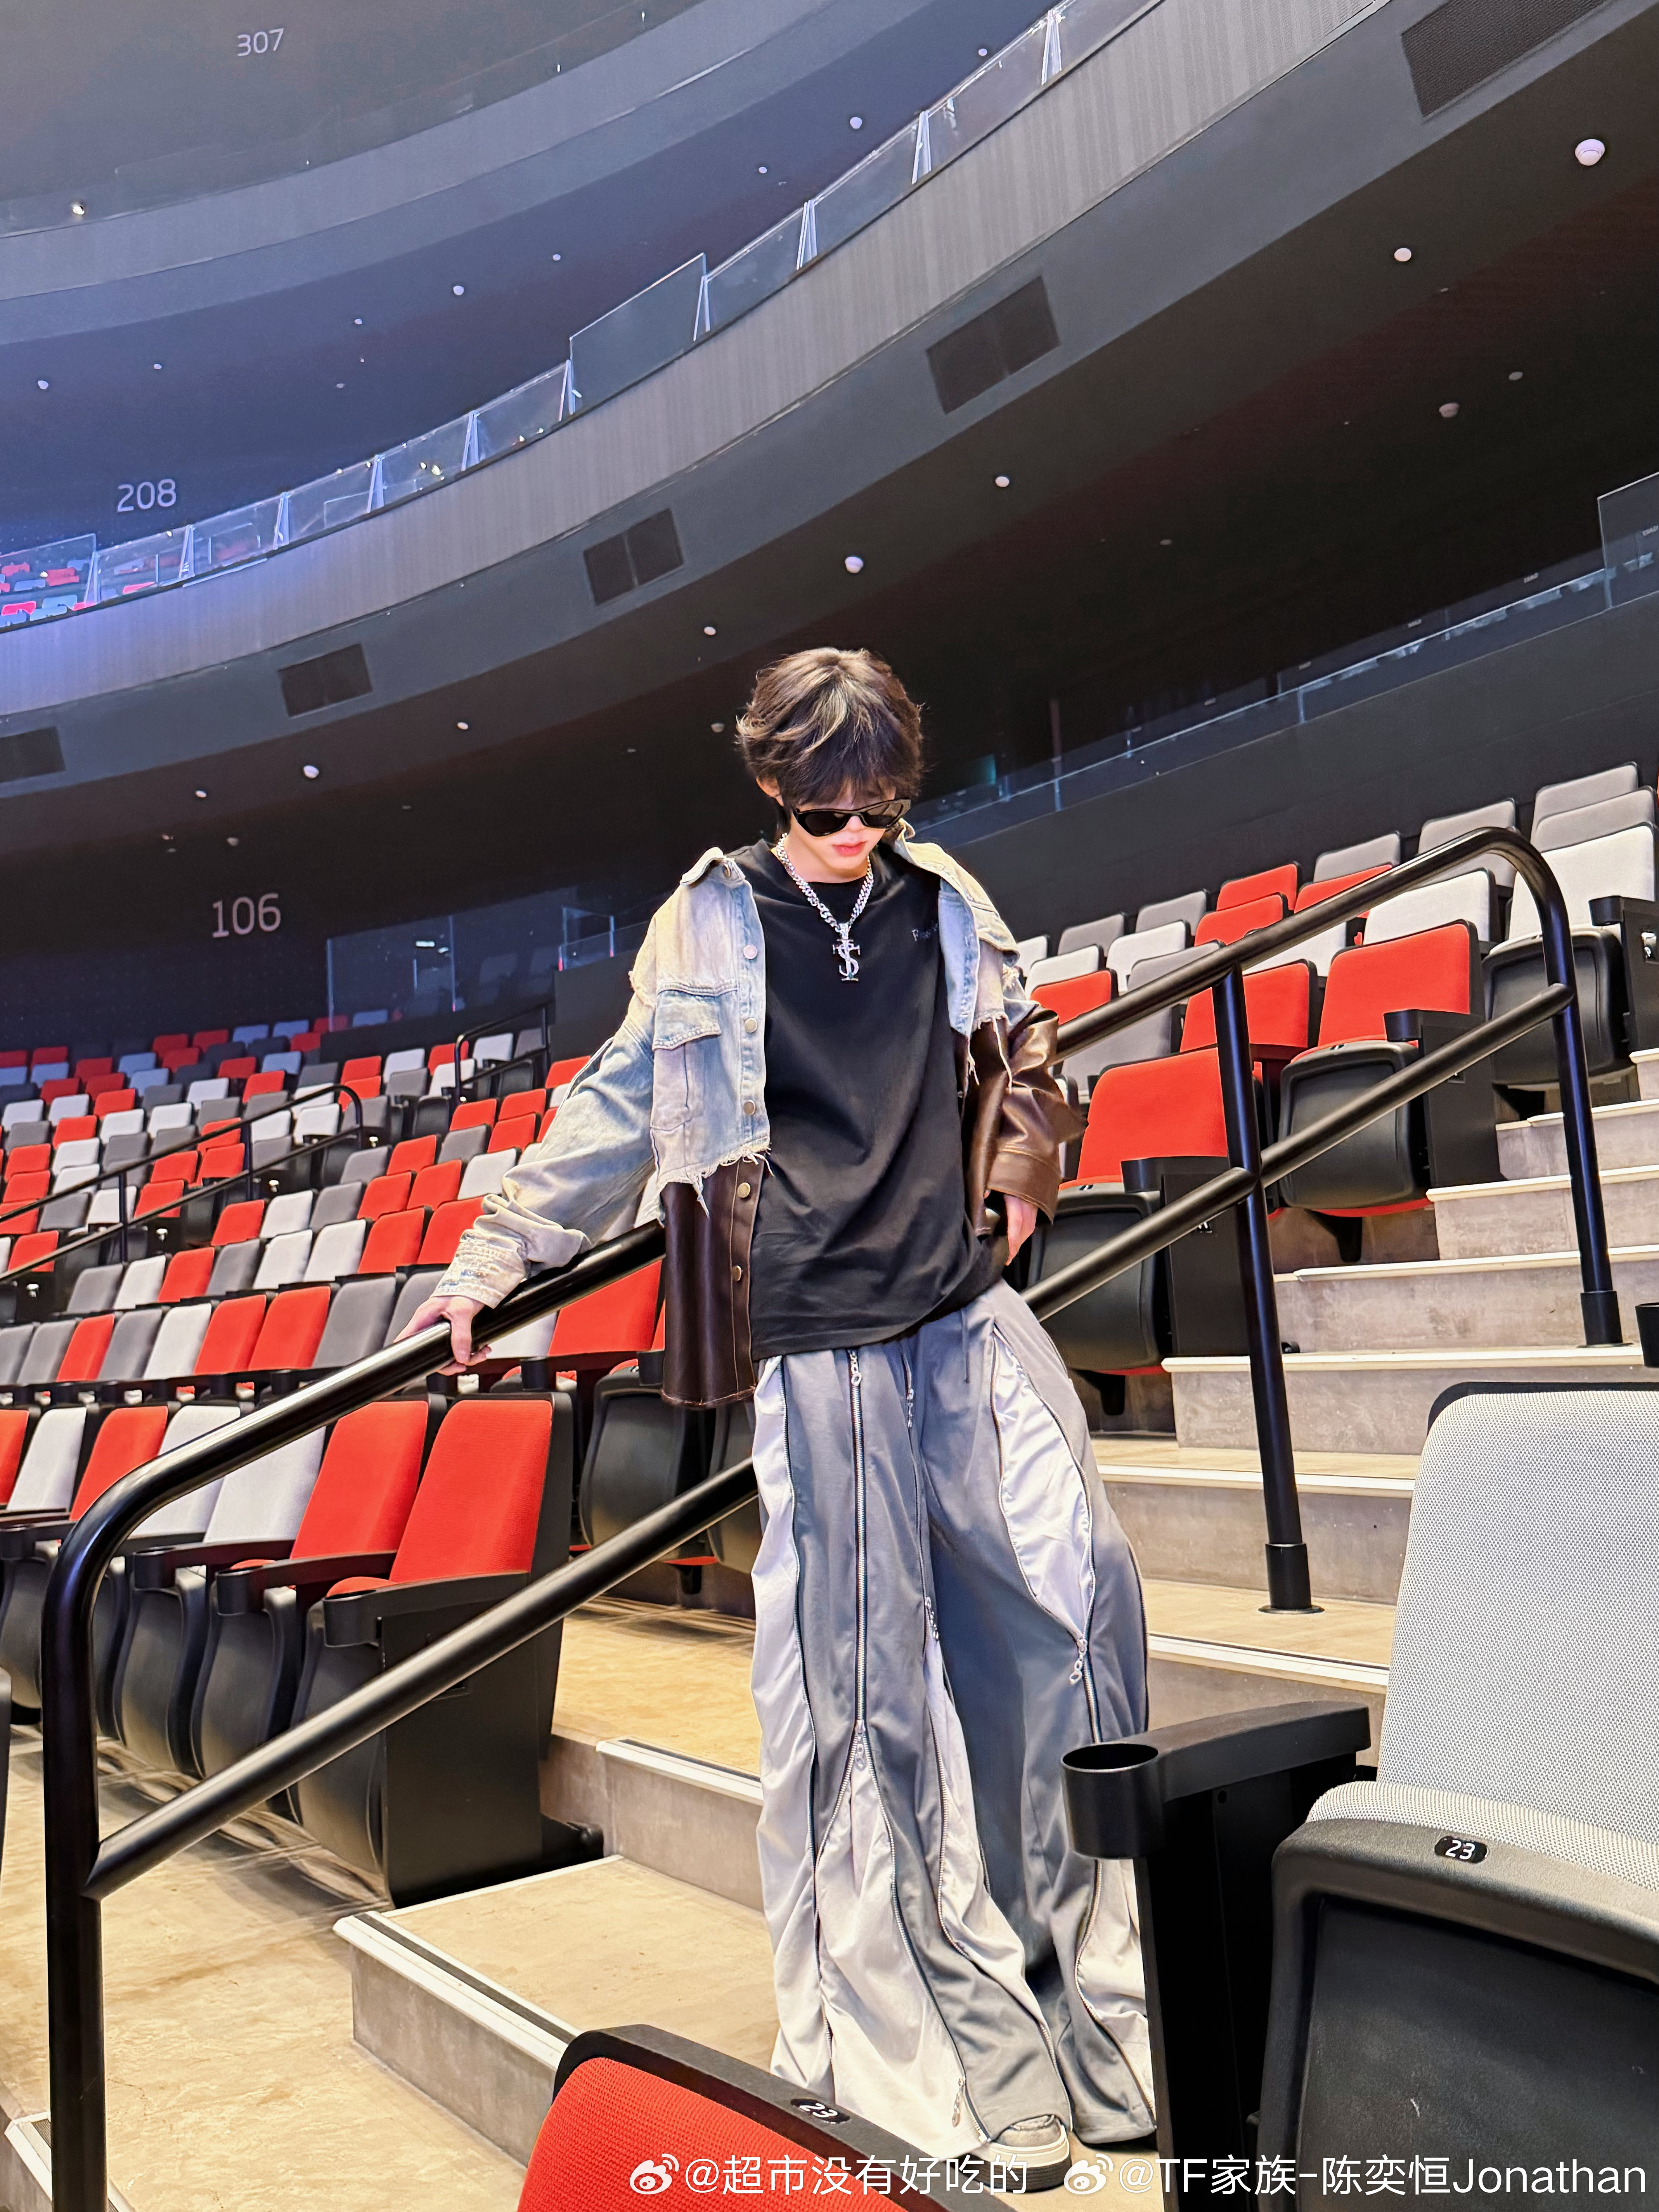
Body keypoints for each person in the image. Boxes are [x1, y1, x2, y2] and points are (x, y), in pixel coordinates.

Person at [406, 647, 1153, 2185]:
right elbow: (617, 1107)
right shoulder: (706, 920)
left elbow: (1026, 1046)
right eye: (826, 811)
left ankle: (1090, 2004)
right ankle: (946, 2057)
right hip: (816, 1339)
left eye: (879, 808)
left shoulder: (943, 896)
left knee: (1079, 1606)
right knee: (868, 1707)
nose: (854, 835)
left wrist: (1020, 1180)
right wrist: (490, 1260)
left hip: (961, 1307)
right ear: (769, 784)